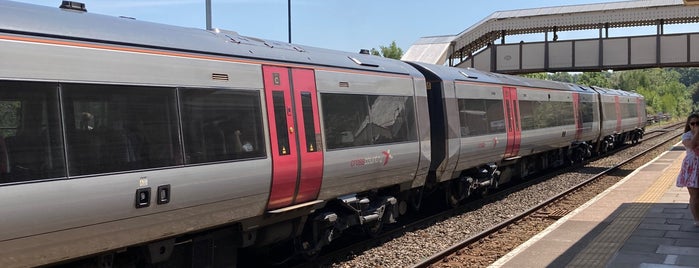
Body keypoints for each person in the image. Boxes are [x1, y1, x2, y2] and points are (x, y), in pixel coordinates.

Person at [677, 113, 699, 226]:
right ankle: (697, 219)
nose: (695, 125)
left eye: (698, 123)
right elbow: (691, 145)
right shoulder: (686, 136)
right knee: (694, 196)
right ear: (689, 125)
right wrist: (697, 133)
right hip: (691, 168)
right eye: (692, 123)